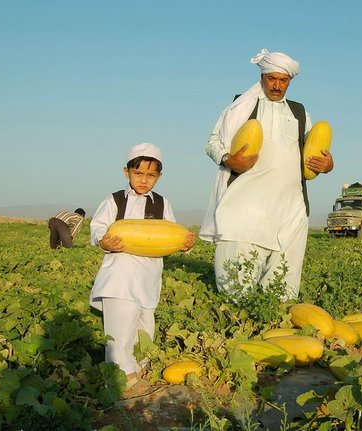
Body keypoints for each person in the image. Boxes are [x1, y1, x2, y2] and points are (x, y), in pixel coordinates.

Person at [199, 48, 334, 301]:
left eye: (283, 81)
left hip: (289, 206)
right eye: (271, 79)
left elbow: (313, 151)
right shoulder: (241, 107)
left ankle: (274, 323)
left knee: (284, 277)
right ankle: (237, 327)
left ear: (289, 82)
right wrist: (228, 159)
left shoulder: (299, 112)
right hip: (245, 204)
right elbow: (212, 143)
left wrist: (327, 165)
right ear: (262, 78)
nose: (277, 85)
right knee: (237, 275)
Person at [89, 143, 196, 395]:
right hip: (120, 275)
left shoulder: (162, 203)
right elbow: (97, 227)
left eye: (151, 176)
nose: (144, 180)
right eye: (139, 174)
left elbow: (173, 234)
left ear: (159, 176)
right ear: (127, 172)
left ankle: (139, 366)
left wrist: (186, 245)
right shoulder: (114, 200)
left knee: (144, 324)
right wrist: (103, 240)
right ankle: (119, 374)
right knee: (120, 324)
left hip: (148, 276)